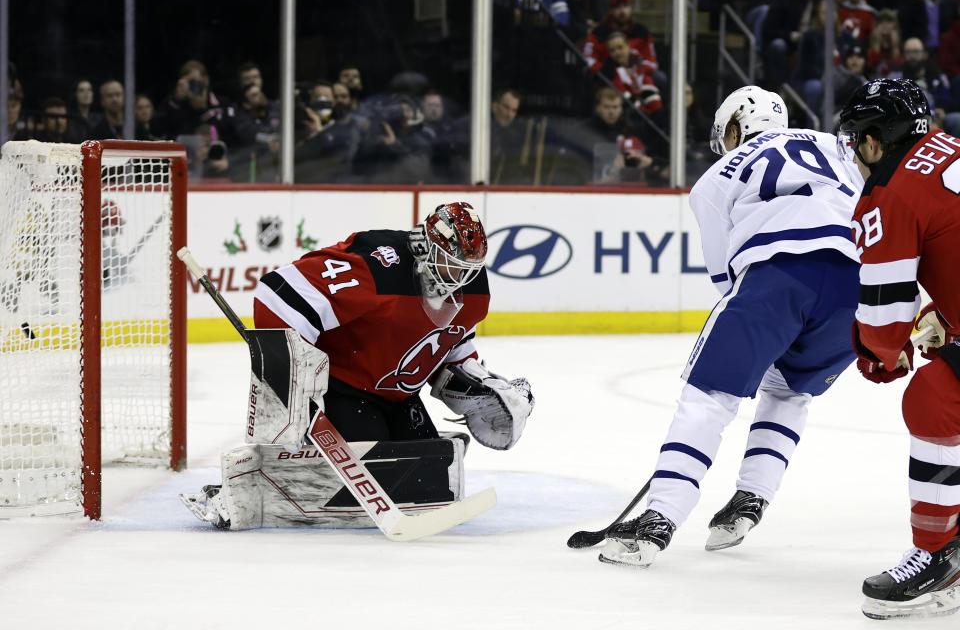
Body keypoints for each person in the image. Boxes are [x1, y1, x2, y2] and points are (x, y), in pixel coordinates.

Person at [599, 86, 865, 568]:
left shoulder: (716, 176)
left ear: (737, 129)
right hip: (858, 284)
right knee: (788, 391)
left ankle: (660, 516)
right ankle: (751, 500)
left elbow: (726, 274)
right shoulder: (836, 145)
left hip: (778, 275)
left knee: (709, 393)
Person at [180, 202, 534, 530]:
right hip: (344, 387)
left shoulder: (474, 287)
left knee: (430, 478)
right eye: (452, 263)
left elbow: (453, 340)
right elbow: (278, 294)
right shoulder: (379, 267)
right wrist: (296, 380)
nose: (459, 276)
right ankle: (240, 489)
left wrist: (475, 381)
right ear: (427, 246)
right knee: (359, 475)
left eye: (468, 268)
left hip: (399, 396)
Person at [836, 77, 960, 621]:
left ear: (874, 138)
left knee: (932, 398)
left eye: (857, 140)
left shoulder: (890, 193)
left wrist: (878, 355)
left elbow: (884, 327)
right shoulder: (951, 147)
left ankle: (939, 556)